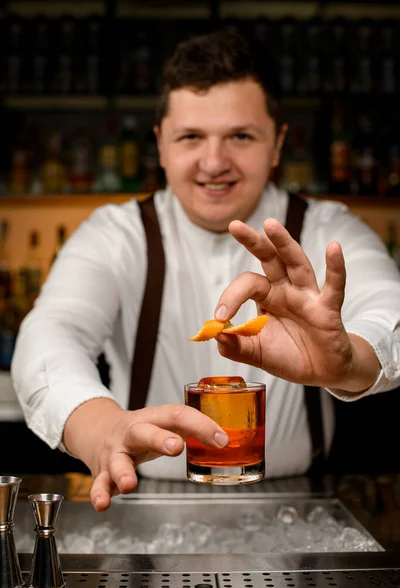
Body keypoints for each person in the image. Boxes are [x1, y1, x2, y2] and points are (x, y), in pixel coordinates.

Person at [11, 28, 400, 512]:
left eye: (241, 135)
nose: (214, 162)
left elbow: (390, 311)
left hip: (299, 509)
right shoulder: (116, 233)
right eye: (191, 136)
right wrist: (100, 428)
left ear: (277, 143)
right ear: (160, 143)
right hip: (144, 508)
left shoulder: (328, 228)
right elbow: (50, 333)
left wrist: (348, 360)